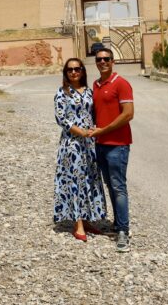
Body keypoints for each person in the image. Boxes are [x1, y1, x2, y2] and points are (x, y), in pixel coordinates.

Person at [53, 57, 106, 241]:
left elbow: (96, 113)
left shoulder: (90, 92)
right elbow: (62, 119)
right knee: (75, 181)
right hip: (72, 145)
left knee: (89, 179)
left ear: (82, 71)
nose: (74, 72)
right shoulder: (62, 93)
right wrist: (81, 132)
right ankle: (78, 224)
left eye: (77, 69)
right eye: (70, 70)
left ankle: (87, 217)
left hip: (89, 144)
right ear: (66, 73)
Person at [88, 48, 134, 252]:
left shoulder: (121, 83)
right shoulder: (96, 85)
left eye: (106, 59)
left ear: (113, 61)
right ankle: (117, 224)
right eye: (99, 59)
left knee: (118, 186)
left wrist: (104, 130)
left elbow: (128, 114)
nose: (103, 62)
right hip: (101, 145)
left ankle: (123, 230)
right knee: (109, 185)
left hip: (117, 144)